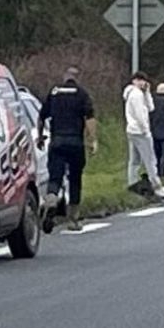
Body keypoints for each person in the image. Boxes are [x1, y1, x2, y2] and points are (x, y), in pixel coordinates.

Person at [38, 67, 97, 232]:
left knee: (55, 177)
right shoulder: (81, 94)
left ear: (65, 77)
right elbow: (90, 118)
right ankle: (73, 219)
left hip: (57, 141)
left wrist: (40, 137)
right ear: (77, 78)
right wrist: (92, 140)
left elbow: (42, 116)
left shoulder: (54, 92)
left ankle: (51, 200)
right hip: (75, 142)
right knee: (75, 179)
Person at [123, 72, 164, 199]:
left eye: (143, 81)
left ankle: (133, 182)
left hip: (132, 130)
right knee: (150, 159)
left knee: (134, 159)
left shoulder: (138, 94)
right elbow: (140, 114)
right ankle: (156, 185)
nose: (142, 83)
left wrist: (147, 93)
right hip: (140, 131)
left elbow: (151, 108)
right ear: (134, 81)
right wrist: (146, 130)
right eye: (139, 80)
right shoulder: (136, 95)